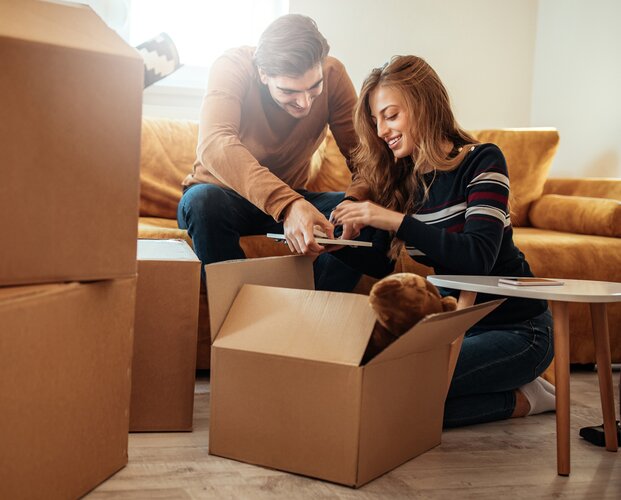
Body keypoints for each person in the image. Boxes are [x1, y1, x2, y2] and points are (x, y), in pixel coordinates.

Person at [329, 55, 556, 427]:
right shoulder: (403, 178)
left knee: (400, 398)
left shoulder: (482, 160)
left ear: (423, 105)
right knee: (378, 392)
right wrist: (339, 247)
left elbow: (477, 258)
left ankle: (528, 397)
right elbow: (381, 265)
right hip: (458, 325)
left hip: (519, 328)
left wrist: (394, 219)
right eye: (375, 121)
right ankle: (515, 391)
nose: (382, 130)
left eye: (390, 115)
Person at [177, 14, 363, 291]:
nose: (305, 103)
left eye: (314, 88)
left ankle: (315, 314)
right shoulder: (233, 66)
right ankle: (240, 319)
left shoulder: (334, 74)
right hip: (221, 200)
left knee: (367, 217)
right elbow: (215, 143)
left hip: (286, 200)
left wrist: (356, 201)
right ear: (263, 74)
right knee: (202, 201)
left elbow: (365, 159)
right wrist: (288, 204)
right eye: (289, 91)